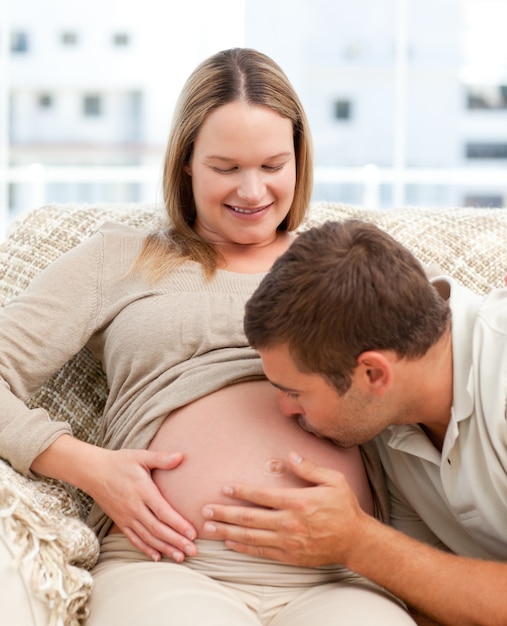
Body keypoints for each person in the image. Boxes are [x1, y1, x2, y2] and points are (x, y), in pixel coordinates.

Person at [0, 51, 416, 625]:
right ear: (187, 163)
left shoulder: (342, 262)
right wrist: (84, 464)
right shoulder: (121, 256)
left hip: (338, 577)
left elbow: (427, 374)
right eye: (226, 167)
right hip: (169, 565)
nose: (252, 191)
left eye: (273, 164)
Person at [200, 218, 507, 626]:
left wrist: (359, 543)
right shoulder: (389, 415)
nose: (285, 410)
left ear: (373, 375)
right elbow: (437, 588)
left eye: (294, 391)